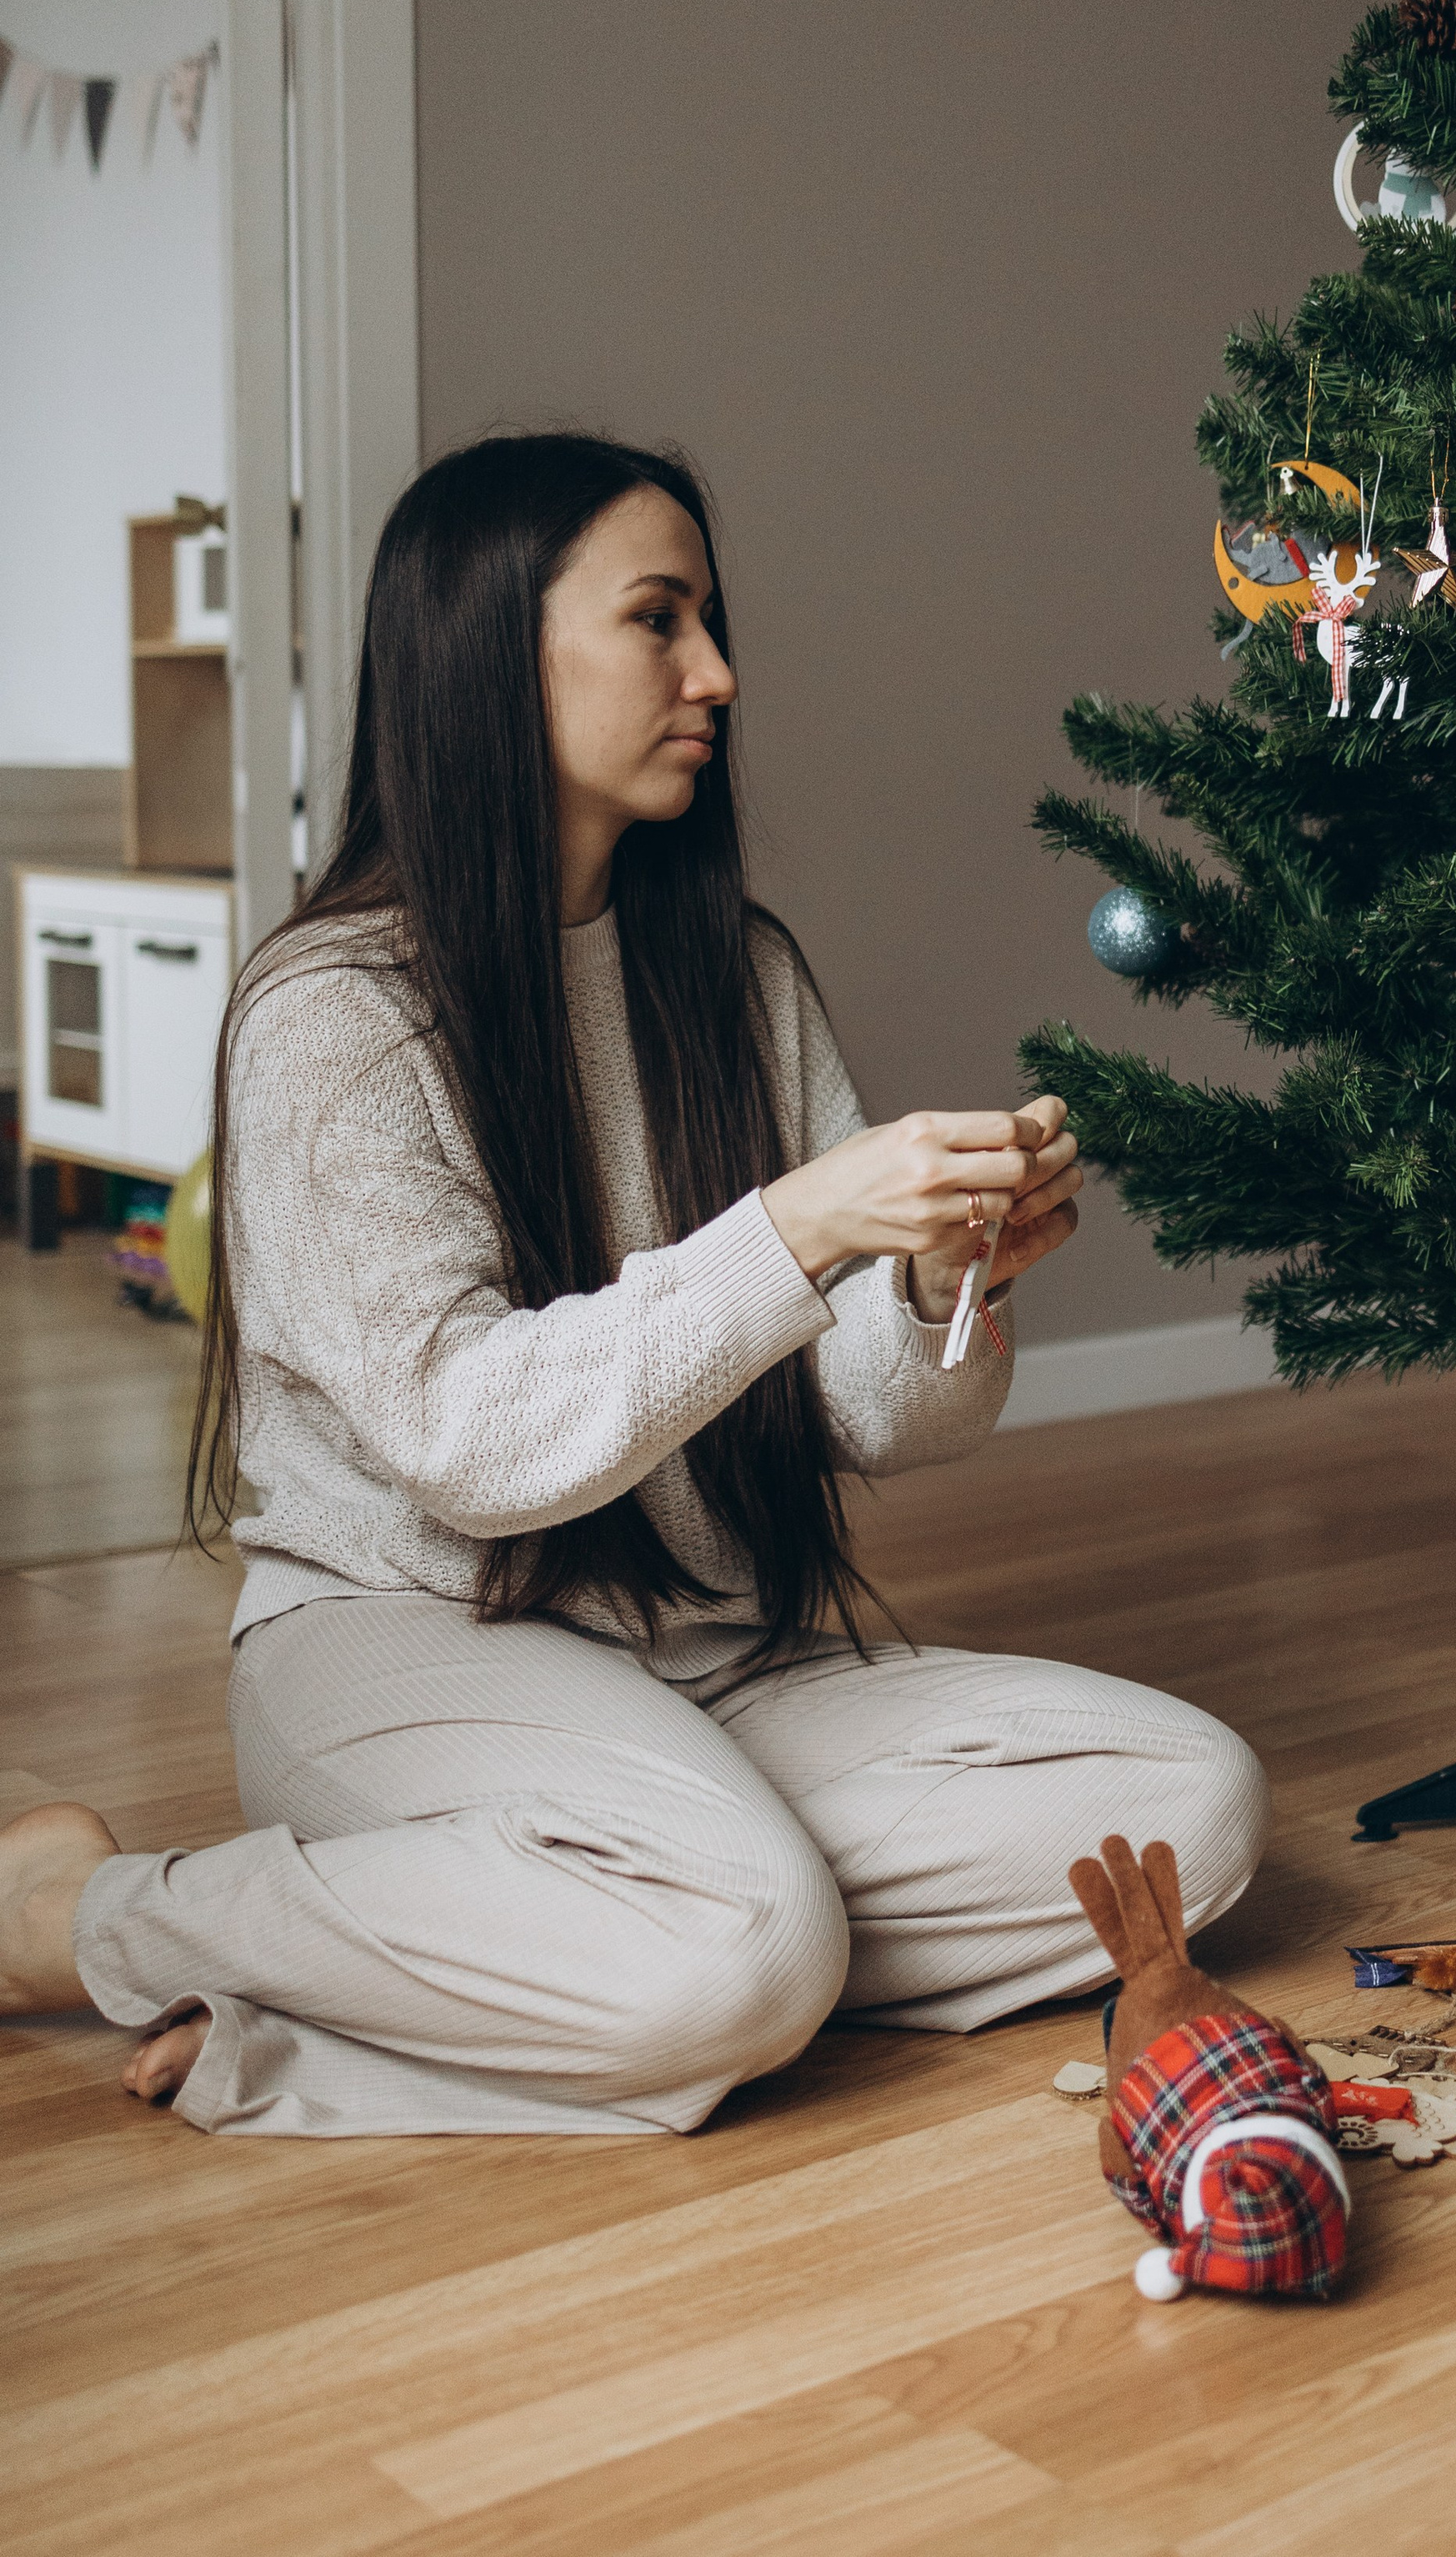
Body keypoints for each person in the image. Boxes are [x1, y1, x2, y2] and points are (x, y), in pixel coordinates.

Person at [0, 434, 1267, 2134]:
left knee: (1191, 1809)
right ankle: (90, 1917)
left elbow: (888, 1424)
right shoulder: (333, 1015)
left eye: (711, 622)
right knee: (746, 1950)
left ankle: (515, 1957)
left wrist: (931, 1285)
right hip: (406, 1640)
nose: (716, 673)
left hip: (711, 1656)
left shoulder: (735, 973)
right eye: (658, 620)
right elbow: (472, 1445)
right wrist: (800, 1231)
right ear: (488, 656)